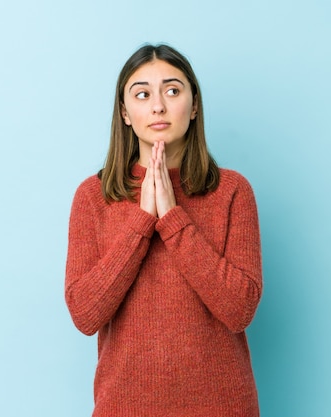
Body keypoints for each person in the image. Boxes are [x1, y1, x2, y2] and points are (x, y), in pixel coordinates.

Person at [64, 44, 263, 417]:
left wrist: (172, 217)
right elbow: (86, 314)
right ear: (125, 112)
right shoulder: (93, 197)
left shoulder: (233, 191)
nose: (158, 106)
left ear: (195, 105)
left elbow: (239, 310)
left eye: (172, 91)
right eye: (142, 94)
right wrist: (142, 221)